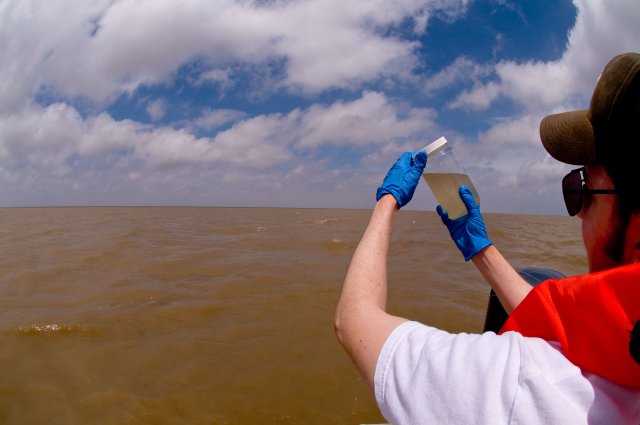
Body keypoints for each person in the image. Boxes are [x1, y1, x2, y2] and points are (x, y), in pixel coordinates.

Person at [334, 52, 640, 424]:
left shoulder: (529, 387)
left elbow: (355, 322)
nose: (580, 212)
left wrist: (388, 200)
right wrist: (480, 248)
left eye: (580, 188)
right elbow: (572, 324)